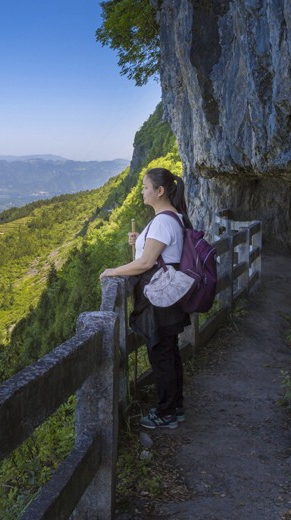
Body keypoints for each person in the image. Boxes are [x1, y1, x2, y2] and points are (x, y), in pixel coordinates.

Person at [100, 167, 191, 429]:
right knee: (169, 353)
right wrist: (140, 239)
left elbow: (146, 263)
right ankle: (175, 407)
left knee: (161, 355)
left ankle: (166, 413)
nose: (142, 191)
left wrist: (113, 271)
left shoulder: (163, 220)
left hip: (158, 300)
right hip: (168, 297)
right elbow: (162, 252)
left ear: (160, 191)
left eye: (145, 187)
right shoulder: (173, 217)